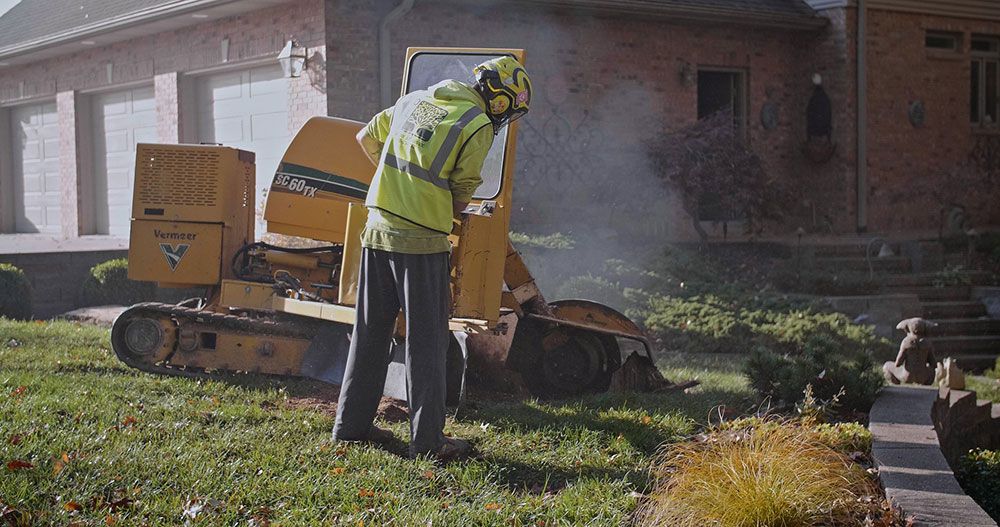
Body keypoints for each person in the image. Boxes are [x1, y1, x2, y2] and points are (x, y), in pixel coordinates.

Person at [332, 56, 532, 460]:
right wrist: (435, 208)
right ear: (498, 101)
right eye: (508, 108)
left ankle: (349, 429)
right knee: (427, 344)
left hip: (376, 231)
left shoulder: (414, 100)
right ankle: (427, 443)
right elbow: (461, 193)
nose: (505, 116)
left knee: (370, 333)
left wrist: (400, 187)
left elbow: (366, 139)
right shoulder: (475, 126)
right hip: (421, 244)